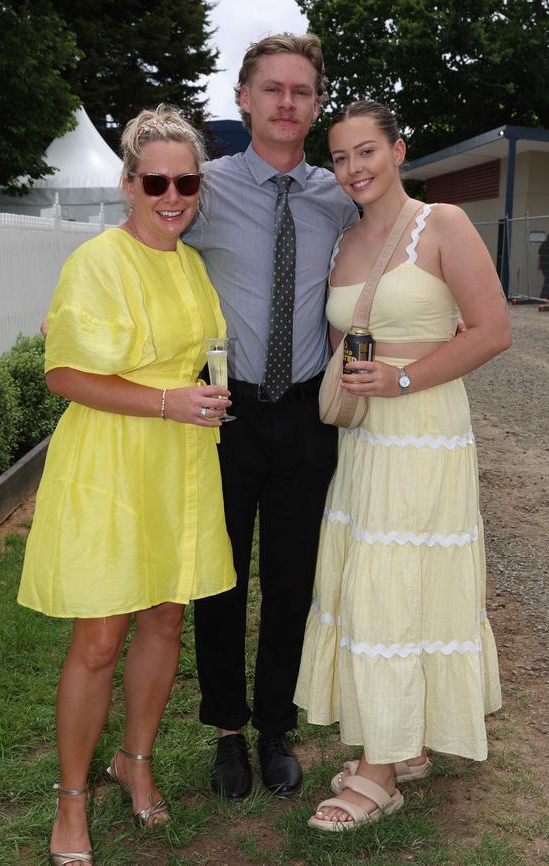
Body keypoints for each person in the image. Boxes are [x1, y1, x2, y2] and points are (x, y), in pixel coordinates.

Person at [18, 105, 236, 865]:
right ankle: (71, 802)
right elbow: (64, 373)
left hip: (177, 460)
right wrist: (169, 401)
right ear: (129, 183)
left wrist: (207, 394)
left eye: (187, 181)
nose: (173, 195)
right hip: (111, 460)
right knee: (100, 637)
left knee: (165, 620)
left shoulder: (192, 264)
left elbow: (206, 352)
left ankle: (133, 761)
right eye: (157, 181)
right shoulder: (98, 261)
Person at [294, 100, 511, 831]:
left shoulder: (443, 224)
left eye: (366, 152)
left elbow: (494, 331)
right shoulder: (344, 243)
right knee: (374, 584)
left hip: (423, 432)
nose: (353, 168)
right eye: (341, 157)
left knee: (392, 588)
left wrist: (404, 378)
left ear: (398, 150)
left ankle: (380, 776)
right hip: (363, 441)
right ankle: (404, 741)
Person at [184, 33, 359, 800]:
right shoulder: (202, 187)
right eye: (274, 90)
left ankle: (276, 726)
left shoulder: (340, 193)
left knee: (292, 577)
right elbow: (139, 250)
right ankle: (226, 729)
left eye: (302, 93)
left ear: (315, 106)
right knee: (218, 577)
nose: (288, 104)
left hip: (306, 411)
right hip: (224, 412)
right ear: (244, 99)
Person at [538, 230, 549, 300]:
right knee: (548, 281)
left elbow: (539, 255)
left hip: (544, 265)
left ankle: (545, 295)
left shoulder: (543, 243)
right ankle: (545, 296)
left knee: (546, 281)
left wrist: (539, 265)